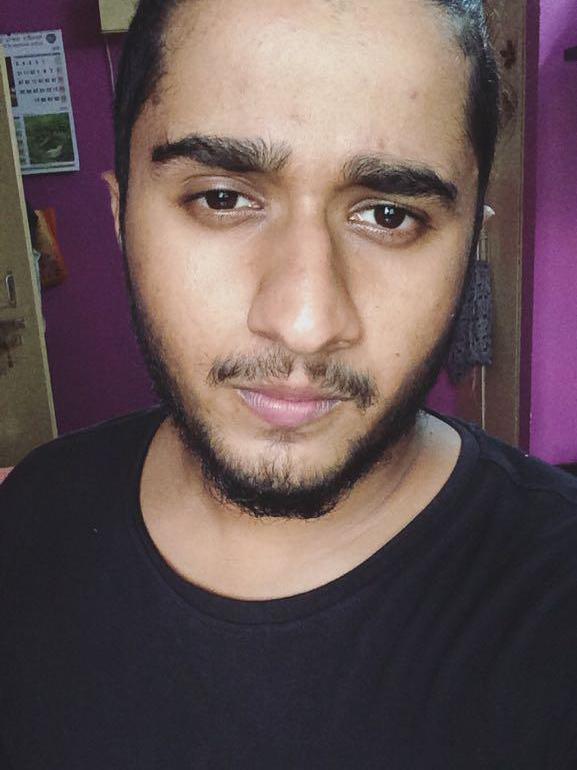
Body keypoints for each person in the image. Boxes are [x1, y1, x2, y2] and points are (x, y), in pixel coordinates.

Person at [1, 1, 576, 767]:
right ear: (121, 217)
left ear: (471, 241)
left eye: (388, 214)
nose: (304, 322)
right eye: (222, 199)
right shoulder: (33, 515)